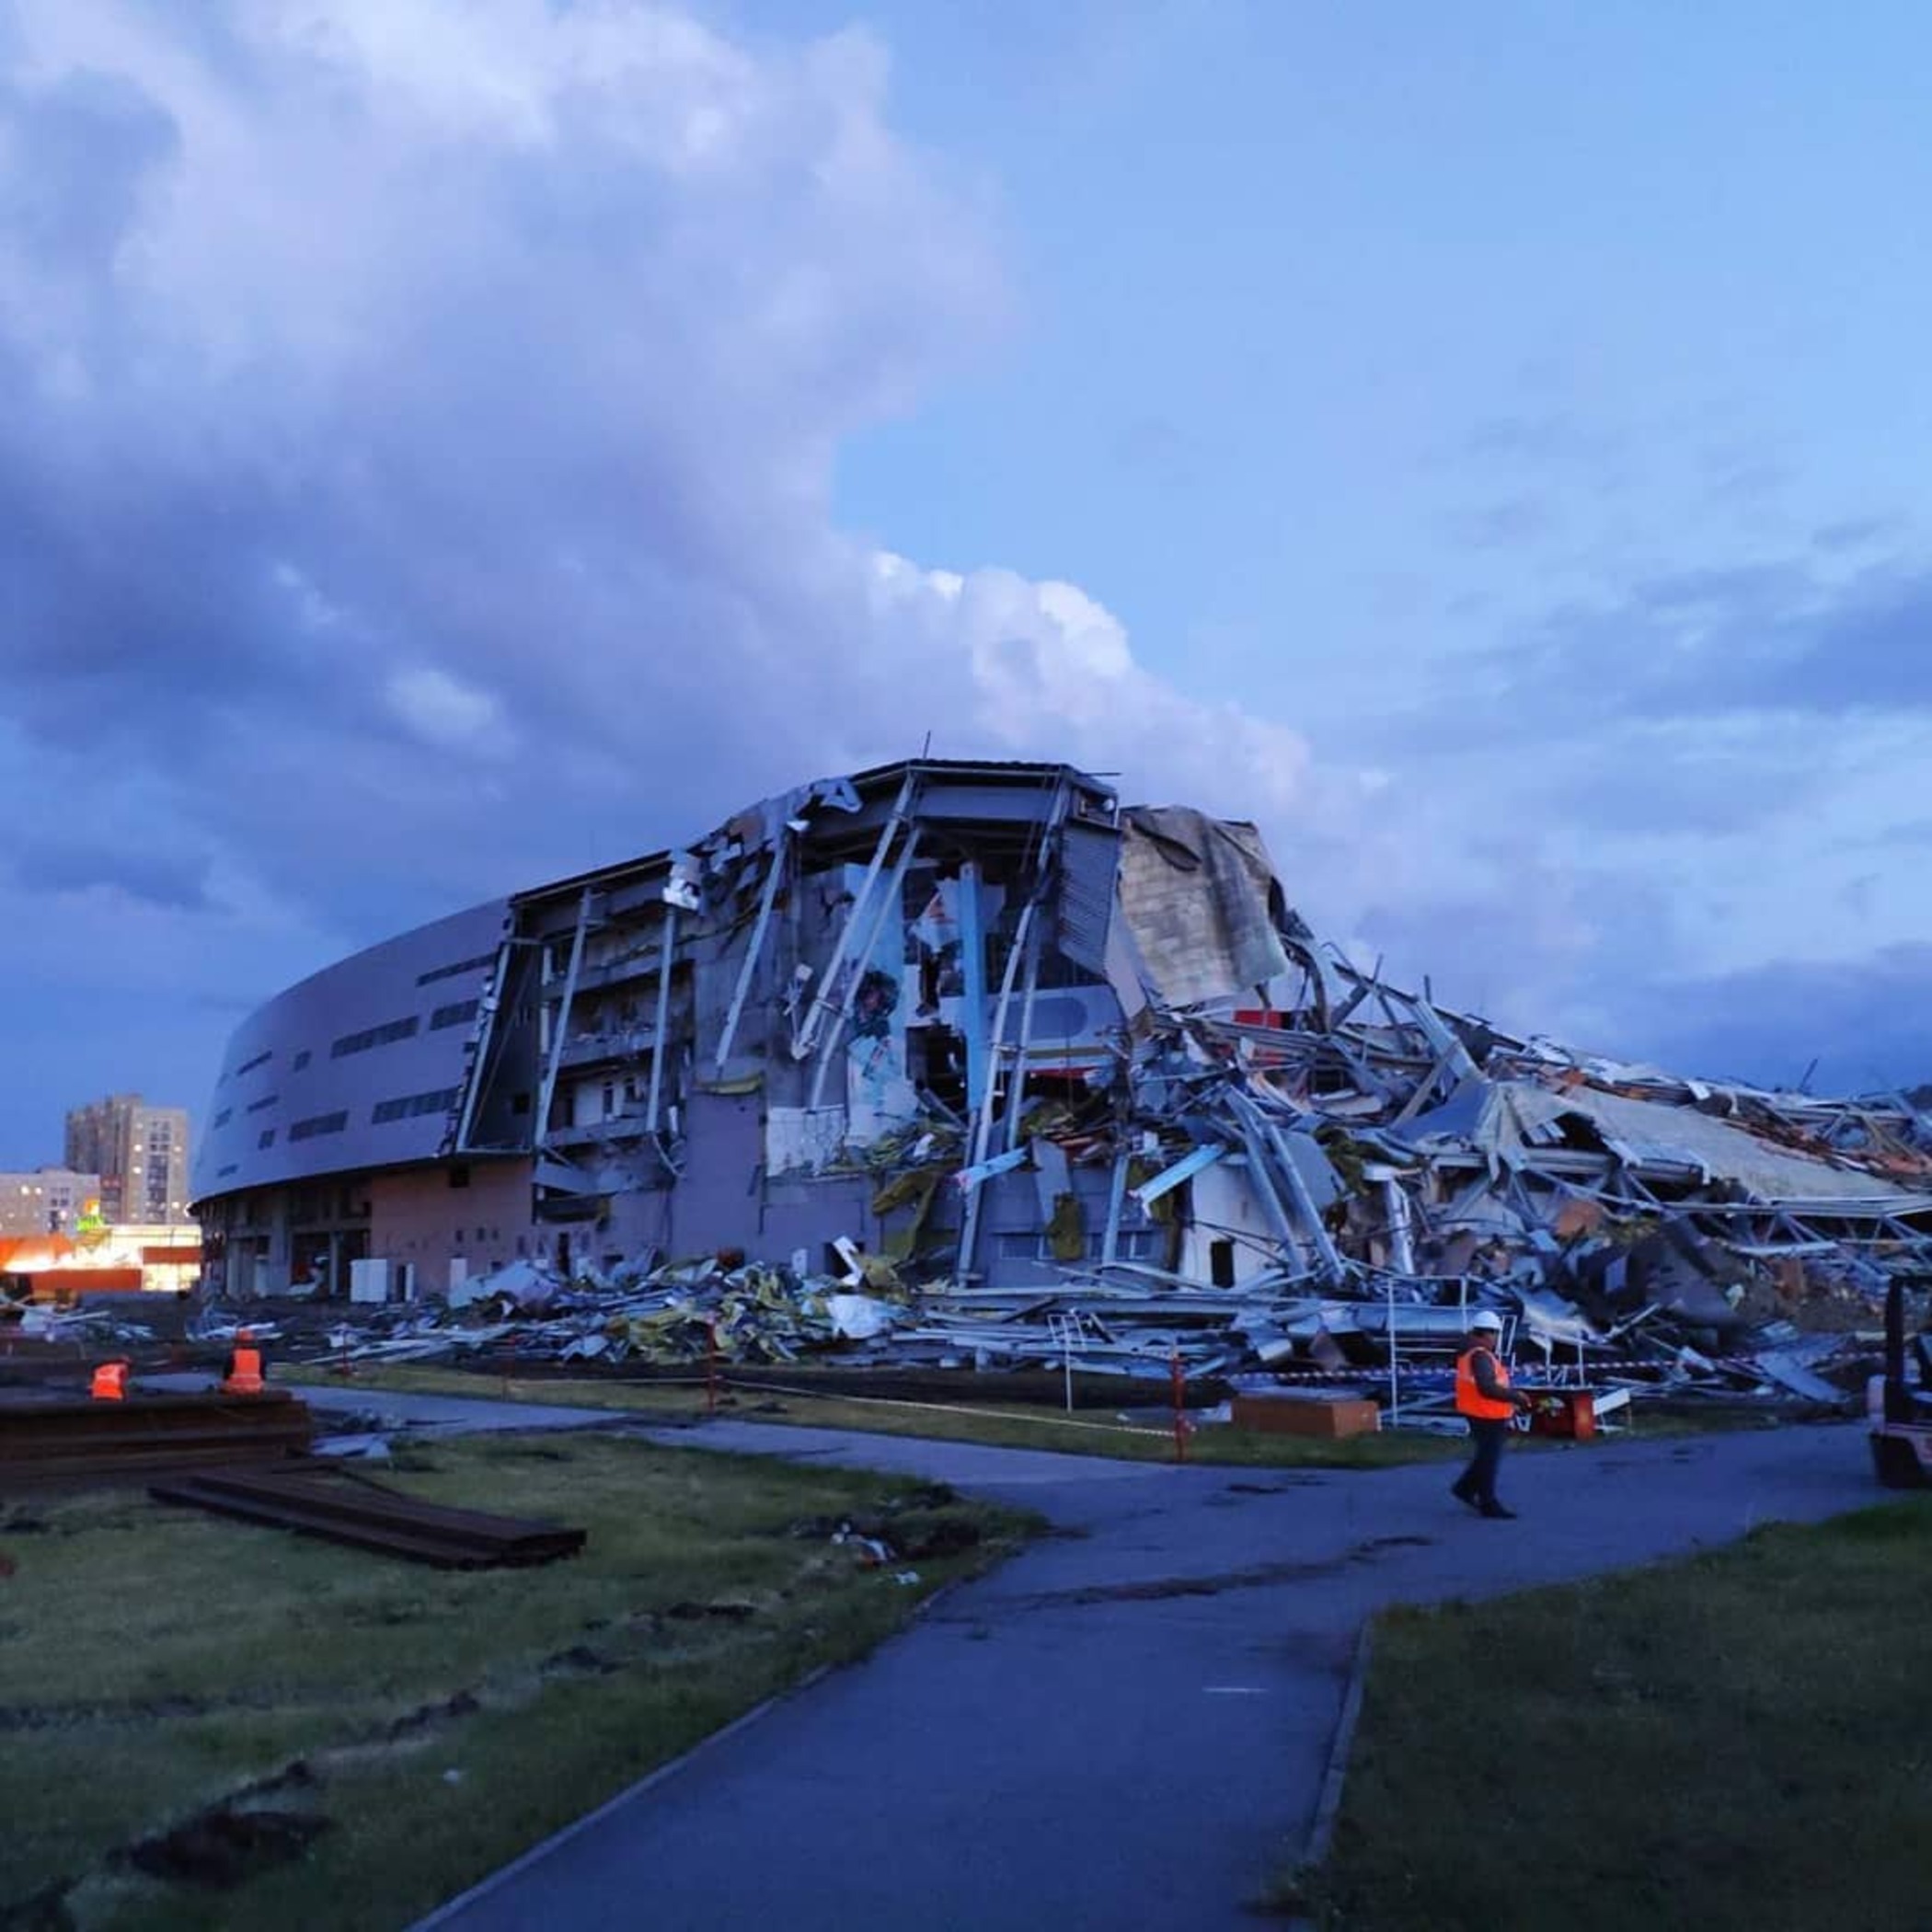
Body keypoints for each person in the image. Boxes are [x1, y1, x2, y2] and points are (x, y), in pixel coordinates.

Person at [1452, 1309, 1531, 1519]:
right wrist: (1515, 1397)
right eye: (1496, 1334)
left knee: (1485, 1456)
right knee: (1489, 1458)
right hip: (1487, 1412)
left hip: (1477, 1410)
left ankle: (1465, 1488)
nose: (1497, 1339)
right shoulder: (1480, 1355)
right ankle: (1488, 1502)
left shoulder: (1469, 1352)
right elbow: (1487, 1387)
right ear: (1488, 1333)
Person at [221, 1328, 265, 1395]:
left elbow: (226, 1376)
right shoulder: (259, 1356)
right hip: (256, 1390)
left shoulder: (233, 1356)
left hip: (235, 1390)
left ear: (238, 1343)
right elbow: (263, 1376)